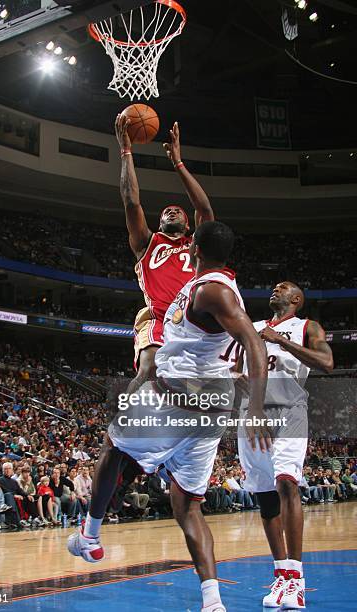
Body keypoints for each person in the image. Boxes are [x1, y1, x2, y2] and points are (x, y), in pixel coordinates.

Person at [68, 221, 269, 612]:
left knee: (113, 443)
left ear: (194, 246)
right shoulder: (206, 284)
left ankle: (89, 535)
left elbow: (253, 343)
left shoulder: (213, 290)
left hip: (176, 401)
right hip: (208, 414)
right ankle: (212, 601)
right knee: (187, 506)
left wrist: (258, 407)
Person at [237, 281, 333, 610]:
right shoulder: (254, 327)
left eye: (283, 287)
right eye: (275, 287)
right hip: (252, 412)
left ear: (296, 299)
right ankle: (281, 575)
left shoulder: (307, 326)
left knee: (286, 483)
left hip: (289, 409)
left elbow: (327, 362)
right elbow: (237, 370)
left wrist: (282, 342)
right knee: (265, 497)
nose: (275, 290)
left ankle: (296, 580)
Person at [115, 115, 214, 391]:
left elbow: (205, 210)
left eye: (178, 211)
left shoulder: (196, 245)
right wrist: (126, 151)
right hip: (160, 318)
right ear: (160, 223)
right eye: (166, 212)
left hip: (194, 322)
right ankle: (120, 431)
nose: (171, 211)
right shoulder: (147, 242)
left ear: (187, 224)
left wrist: (178, 164)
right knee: (148, 369)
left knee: (195, 390)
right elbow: (131, 201)